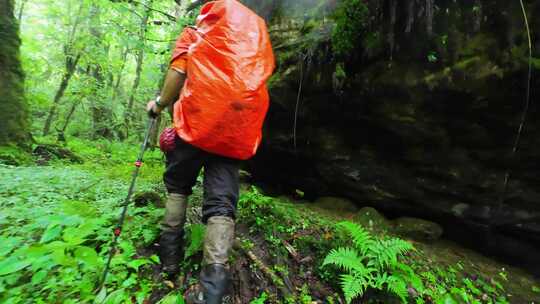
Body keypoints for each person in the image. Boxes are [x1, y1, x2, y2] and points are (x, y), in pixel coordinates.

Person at [146, 1, 274, 303]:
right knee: (221, 203)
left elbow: (178, 72)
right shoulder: (254, 41)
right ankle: (212, 289)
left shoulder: (195, 35)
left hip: (194, 126)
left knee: (178, 187)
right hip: (234, 133)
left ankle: (169, 261)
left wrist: (160, 104)